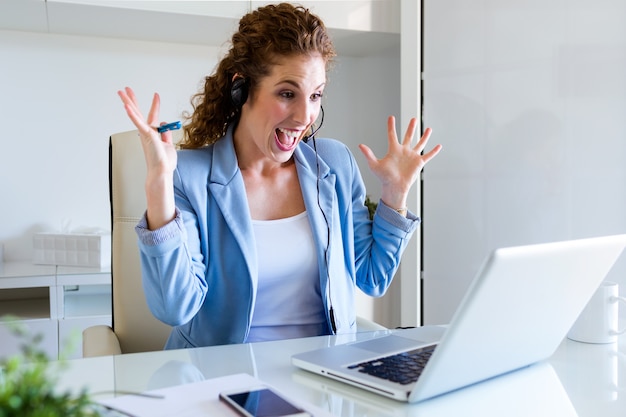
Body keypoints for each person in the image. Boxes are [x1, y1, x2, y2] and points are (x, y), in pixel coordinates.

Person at [117, 2, 441, 349]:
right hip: (223, 381)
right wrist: (158, 184)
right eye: (287, 94)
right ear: (241, 89)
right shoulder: (189, 177)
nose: (306, 116)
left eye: (315, 95)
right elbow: (175, 308)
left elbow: (372, 278)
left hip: (323, 376)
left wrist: (395, 195)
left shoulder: (334, 164)